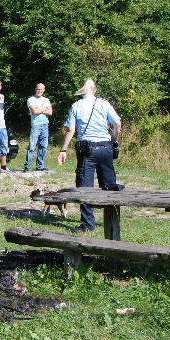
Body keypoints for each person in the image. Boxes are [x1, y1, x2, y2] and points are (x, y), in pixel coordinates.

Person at [58, 78, 122, 232]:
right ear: (94, 90)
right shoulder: (104, 104)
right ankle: (112, 221)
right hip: (106, 148)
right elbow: (118, 123)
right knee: (109, 185)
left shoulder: (76, 106)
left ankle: (88, 225)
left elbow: (71, 131)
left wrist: (63, 149)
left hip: (87, 150)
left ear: (82, 92)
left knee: (85, 187)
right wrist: (113, 140)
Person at [24, 83, 52, 172]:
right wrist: (44, 110)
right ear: (35, 89)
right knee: (32, 146)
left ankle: (40, 166)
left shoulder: (46, 100)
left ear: (44, 90)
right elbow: (34, 111)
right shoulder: (31, 99)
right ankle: (27, 166)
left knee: (43, 146)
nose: (39, 91)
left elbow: (50, 112)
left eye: (41, 89)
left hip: (45, 124)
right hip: (36, 124)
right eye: (38, 89)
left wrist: (39, 110)